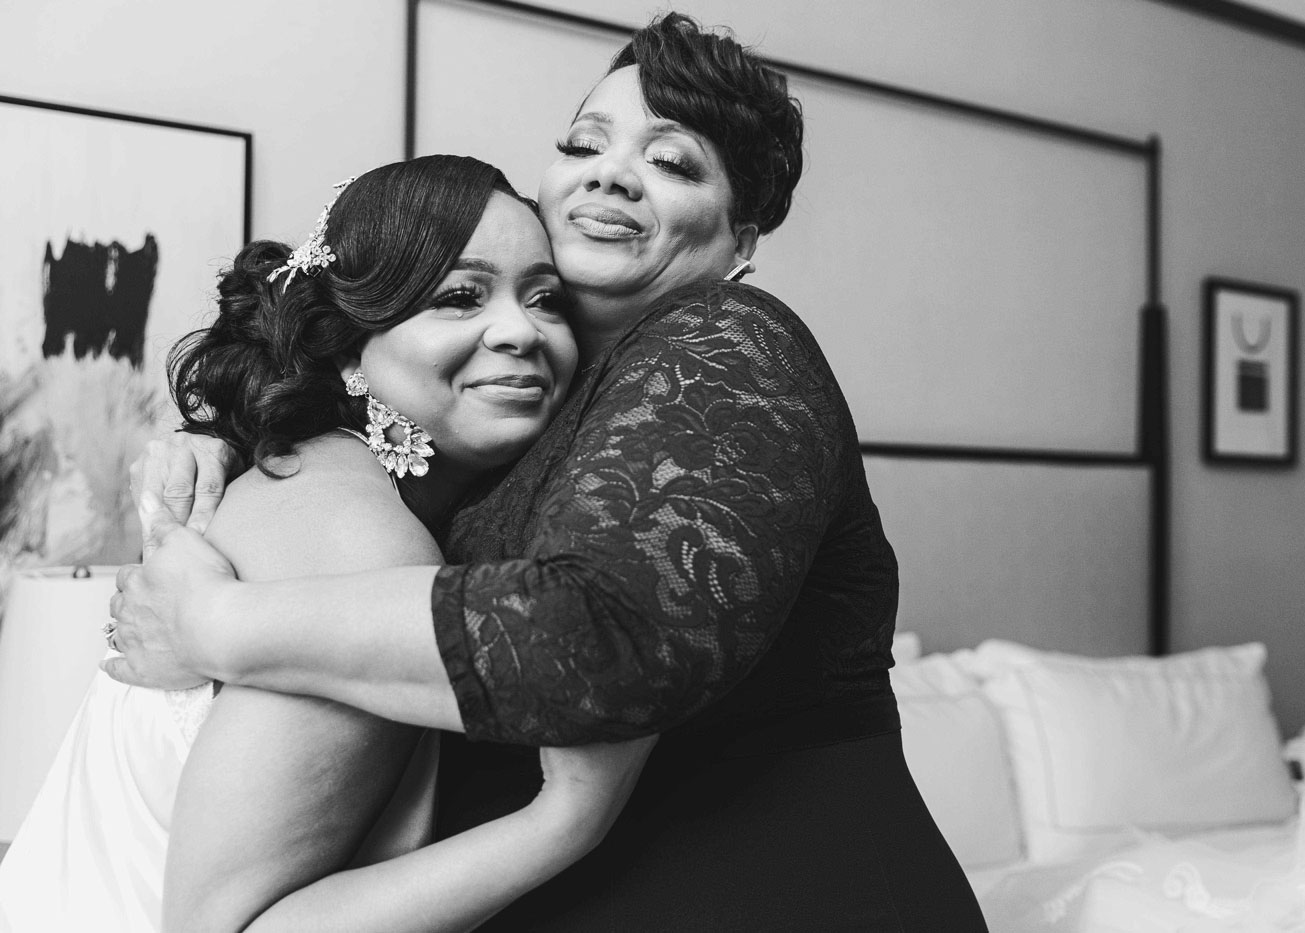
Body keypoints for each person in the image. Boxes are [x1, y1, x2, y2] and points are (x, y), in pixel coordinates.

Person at [109, 13, 989, 930]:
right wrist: (227, 440)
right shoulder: (522, 417)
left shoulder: (729, 344)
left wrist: (218, 620)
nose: (611, 171)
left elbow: (600, 641)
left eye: (675, 162)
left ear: (742, 245)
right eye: (584, 142)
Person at [0, 155, 653, 932]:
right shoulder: (354, 534)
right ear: (346, 346)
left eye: (545, 299)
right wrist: (559, 825)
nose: (521, 331)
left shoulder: (310, 478)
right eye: (459, 296)